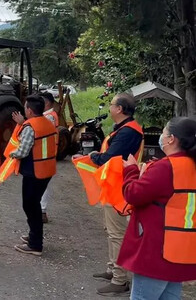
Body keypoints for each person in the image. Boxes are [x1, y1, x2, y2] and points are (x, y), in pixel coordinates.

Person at [118, 117, 196, 299]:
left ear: (171, 139)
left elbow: (133, 194)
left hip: (157, 249)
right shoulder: (190, 166)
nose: (161, 135)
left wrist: (131, 170)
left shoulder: (166, 167)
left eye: (164, 132)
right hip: (182, 247)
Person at [81, 93, 143, 297]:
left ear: (120, 109)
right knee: (111, 231)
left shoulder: (128, 133)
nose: (109, 107)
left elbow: (109, 157)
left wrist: (93, 156)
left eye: (112, 104)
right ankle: (112, 269)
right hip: (113, 187)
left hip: (120, 190)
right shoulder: (125, 130)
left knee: (117, 234)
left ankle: (119, 278)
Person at [9, 95, 57, 256]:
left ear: (29, 110)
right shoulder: (47, 122)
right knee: (33, 205)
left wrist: (10, 154)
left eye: (25, 107)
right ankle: (33, 236)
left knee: (30, 206)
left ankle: (35, 244)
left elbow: (23, 151)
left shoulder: (31, 127)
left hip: (34, 172)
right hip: (46, 170)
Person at [39, 91, 59, 224]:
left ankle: (42, 211)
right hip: (46, 154)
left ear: (46, 103)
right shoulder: (51, 115)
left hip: (44, 156)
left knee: (43, 185)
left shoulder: (48, 117)